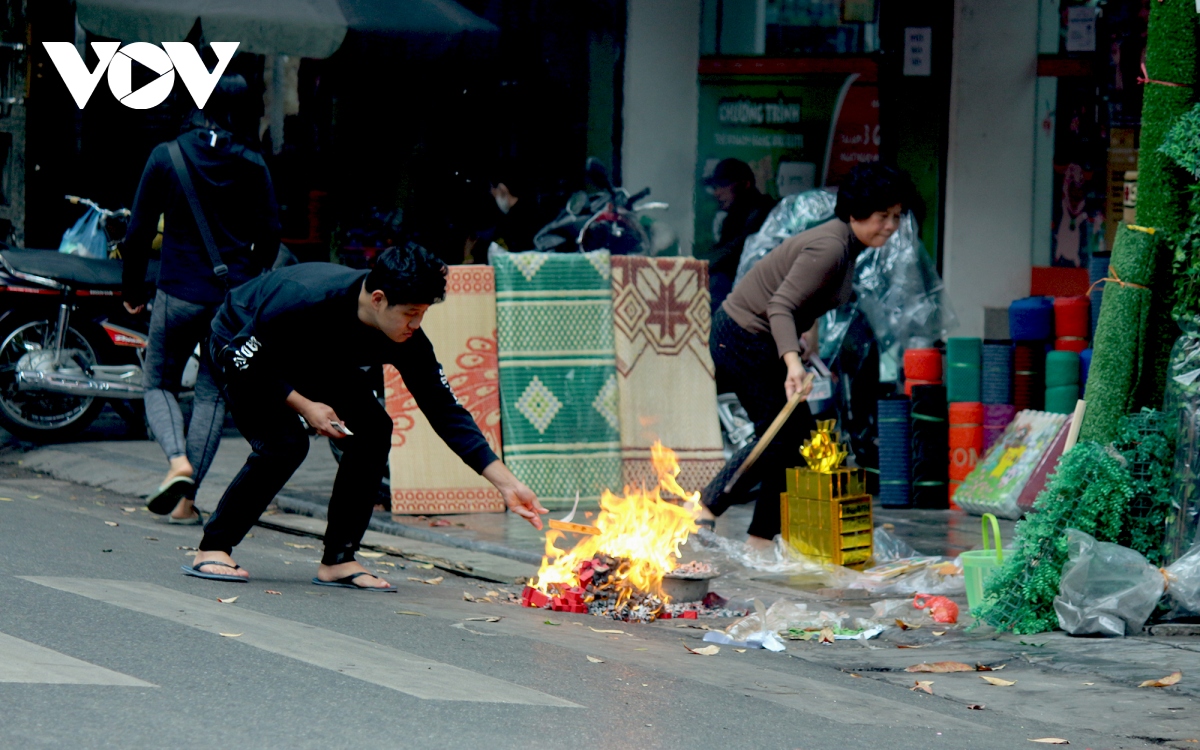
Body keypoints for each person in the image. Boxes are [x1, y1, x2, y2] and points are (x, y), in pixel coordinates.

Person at [187, 244, 548, 589]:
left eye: (423, 313)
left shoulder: (406, 337)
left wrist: (506, 484)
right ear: (378, 299)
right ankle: (213, 547)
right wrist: (305, 406)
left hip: (317, 356)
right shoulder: (304, 298)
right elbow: (241, 358)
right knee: (284, 444)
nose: (416, 323)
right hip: (244, 346)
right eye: (410, 313)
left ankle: (339, 560)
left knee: (374, 430)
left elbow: (445, 409)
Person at [696, 162, 912, 547]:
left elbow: (803, 301)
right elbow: (780, 306)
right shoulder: (831, 246)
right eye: (883, 216)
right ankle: (709, 509)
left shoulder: (846, 244)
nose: (891, 226)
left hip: (759, 335)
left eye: (896, 216)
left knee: (794, 439)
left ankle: (759, 540)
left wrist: (806, 333)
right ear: (855, 212)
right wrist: (792, 363)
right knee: (781, 436)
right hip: (744, 336)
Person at [122, 74, 280, 524]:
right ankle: (185, 505)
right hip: (232, 302)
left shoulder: (166, 156)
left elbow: (137, 235)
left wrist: (132, 291)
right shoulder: (253, 162)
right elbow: (269, 236)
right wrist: (250, 281)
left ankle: (177, 463)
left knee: (158, 384)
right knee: (212, 396)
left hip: (177, 294)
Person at [703, 158, 777, 310]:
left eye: (723, 185)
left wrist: (699, 264)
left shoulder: (763, 212)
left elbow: (735, 249)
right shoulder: (732, 217)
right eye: (715, 187)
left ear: (745, 185)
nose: (717, 193)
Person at [486, 163, 543, 252]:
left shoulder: (514, 220)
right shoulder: (532, 210)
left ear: (502, 189)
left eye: (493, 192)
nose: (493, 197)